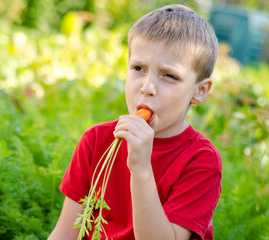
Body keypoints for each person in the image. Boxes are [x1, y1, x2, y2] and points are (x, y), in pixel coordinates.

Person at [49, 4, 222, 240]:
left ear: (200, 91)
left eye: (169, 75)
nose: (147, 87)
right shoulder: (96, 141)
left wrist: (141, 169)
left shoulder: (201, 160)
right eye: (138, 68)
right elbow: (66, 233)